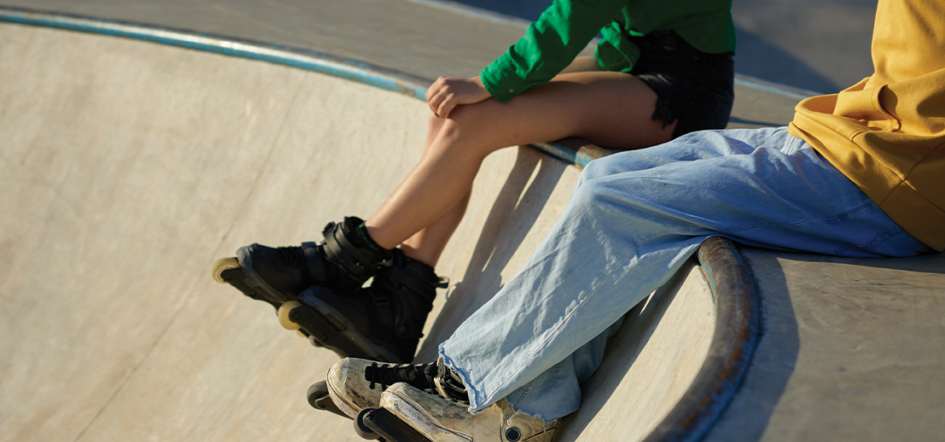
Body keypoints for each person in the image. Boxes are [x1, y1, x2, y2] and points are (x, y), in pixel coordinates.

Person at [323, 0, 945, 442]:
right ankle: (513, 407)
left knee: (622, 199)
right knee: (616, 175)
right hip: (835, 138)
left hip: (882, 182)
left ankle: (478, 400)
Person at [212, 0, 737, 364]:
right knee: (450, 112)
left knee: (475, 115)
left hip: (678, 90)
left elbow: (569, 20)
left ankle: (344, 259)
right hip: (630, 58)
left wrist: (488, 81)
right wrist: (485, 84)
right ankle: (401, 300)